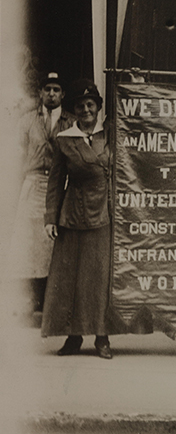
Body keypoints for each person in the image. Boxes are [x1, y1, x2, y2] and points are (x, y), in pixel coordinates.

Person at [42, 79, 113, 359]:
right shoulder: (65, 139)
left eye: (90, 105)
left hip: (103, 215)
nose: (86, 110)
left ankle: (102, 337)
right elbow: (55, 181)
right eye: (81, 106)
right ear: (74, 109)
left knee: (98, 279)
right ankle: (73, 337)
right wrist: (51, 217)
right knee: (70, 279)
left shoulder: (110, 134)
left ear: (98, 107)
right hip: (72, 214)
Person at [9, 72, 74, 324]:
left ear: (63, 94)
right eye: (47, 89)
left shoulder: (71, 122)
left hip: (59, 184)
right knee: (27, 242)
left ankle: (52, 302)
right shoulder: (27, 121)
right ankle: (30, 300)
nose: (51, 94)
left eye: (56, 89)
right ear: (40, 92)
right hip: (33, 181)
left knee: (54, 240)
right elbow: (17, 156)